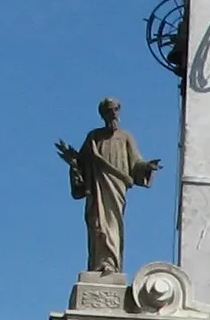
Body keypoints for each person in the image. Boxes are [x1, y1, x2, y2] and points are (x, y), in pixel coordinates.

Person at [57, 98, 159, 276]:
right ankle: (98, 264)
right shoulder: (93, 137)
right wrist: (74, 163)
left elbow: (136, 162)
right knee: (97, 224)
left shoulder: (126, 137)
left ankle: (111, 263)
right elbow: (82, 163)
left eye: (116, 109)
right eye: (109, 110)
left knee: (113, 224)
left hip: (117, 188)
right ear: (103, 115)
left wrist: (147, 167)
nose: (113, 113)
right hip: (97, 188)